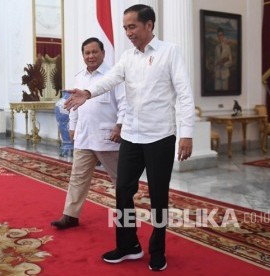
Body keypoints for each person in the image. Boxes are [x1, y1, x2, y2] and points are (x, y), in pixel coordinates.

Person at [64, 4, 195, 272]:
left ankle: (158, 250)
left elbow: (184, 94)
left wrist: (187, 134)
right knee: (123, 190)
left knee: (158, 196)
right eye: (125, 27)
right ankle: (128, 246)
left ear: (149, 25)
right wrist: (87, 93)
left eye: (132, 26)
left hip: (160, 137)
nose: (128, 32)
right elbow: (109, 80)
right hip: (132, 136)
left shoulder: (170, 52)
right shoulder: (127, 58)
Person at [51, 37, 127, 230]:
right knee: (77, 177)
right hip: (84, 137)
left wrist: (120, 126)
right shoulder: (79, 77)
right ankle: (70, 215)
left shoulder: (113, 76)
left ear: (103, 53)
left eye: (95, 52)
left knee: (121, 180)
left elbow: (125, 104)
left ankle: (125, 219)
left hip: (108, 137)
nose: (91, 56)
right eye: (87, 52)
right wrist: (72, 127)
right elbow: (75, 105)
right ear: (83, 55)